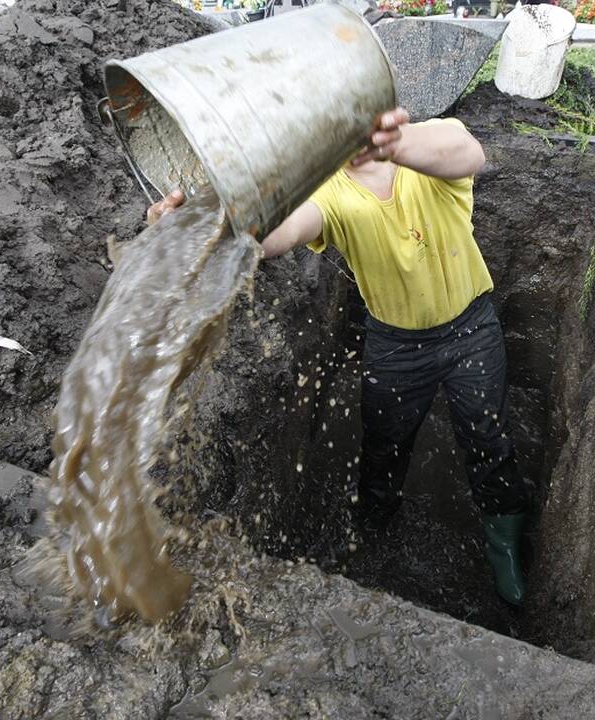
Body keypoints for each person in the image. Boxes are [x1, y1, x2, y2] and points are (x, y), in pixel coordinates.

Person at [147, 108, 532, 606]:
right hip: (396, 345)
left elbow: (468, 153)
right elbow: (278, 234)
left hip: (470, 330)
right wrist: (201, 227)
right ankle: (375, 518)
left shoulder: (429, 148)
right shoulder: (328, 190)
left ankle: (503, 541)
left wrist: (391, 146)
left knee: (487, 435)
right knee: (385, 441)